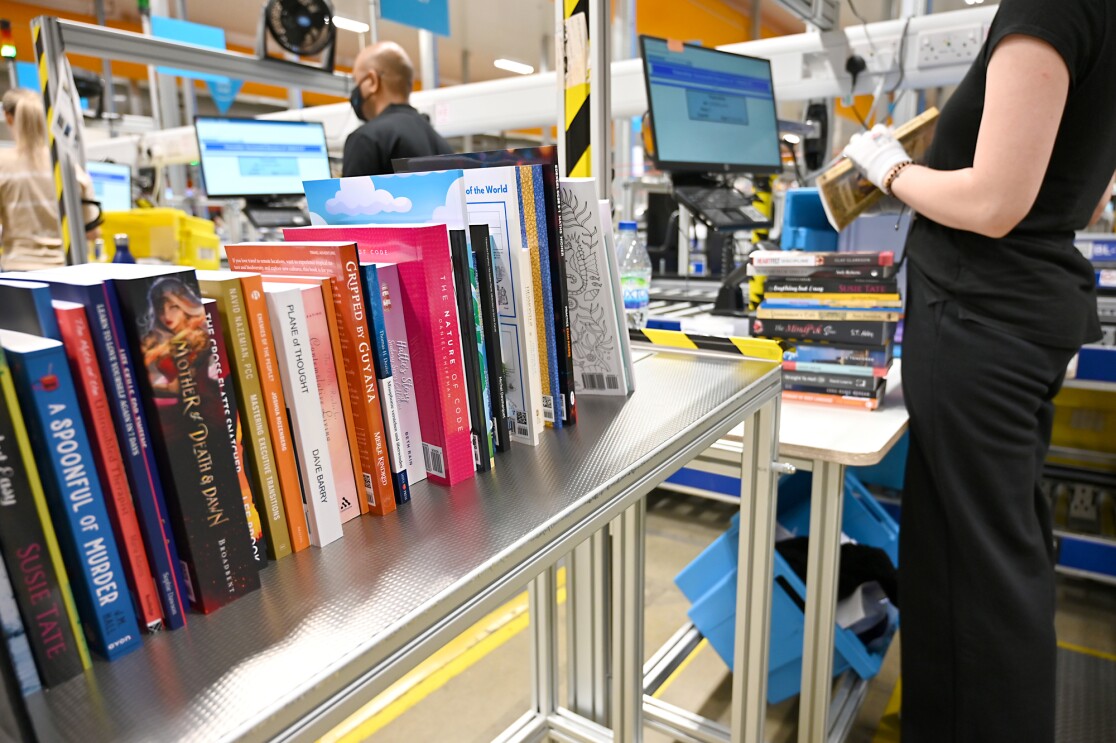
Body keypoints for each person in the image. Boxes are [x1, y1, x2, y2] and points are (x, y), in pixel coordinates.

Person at [842, 1, 1115, 741]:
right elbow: (1084, 200)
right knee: (990, 558)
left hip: (977, 318)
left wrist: (890, 169)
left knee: (975, 581)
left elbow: (993, 202)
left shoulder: (1050, 6)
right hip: (1020, 321)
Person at [0, 89, 97, 271]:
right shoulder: (67, 164)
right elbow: (91, 232)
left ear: (8, 117)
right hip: (67, 269)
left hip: (19, 272)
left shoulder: (2, 164)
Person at [342, 41, 453, 177]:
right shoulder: (442, 145)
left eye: (356, 81)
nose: (355, 90)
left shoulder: (366, 140)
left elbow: (352, 198)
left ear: (372, 81)